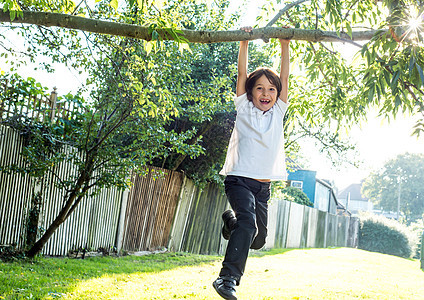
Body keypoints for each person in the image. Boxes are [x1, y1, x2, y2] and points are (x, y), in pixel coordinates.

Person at [212, 26, 290, 300]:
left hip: (262, 187)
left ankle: (230, 222)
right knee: (249, 224)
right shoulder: (244, 108)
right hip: (239, 180)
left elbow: (284, 77)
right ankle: (227, 279)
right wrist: (244, 43)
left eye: (271, 89)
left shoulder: (278, 112)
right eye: (260, 88)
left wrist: (285, 45)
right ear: (250, 93)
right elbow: (242, 75)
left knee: (257, 239)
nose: (265, 93)